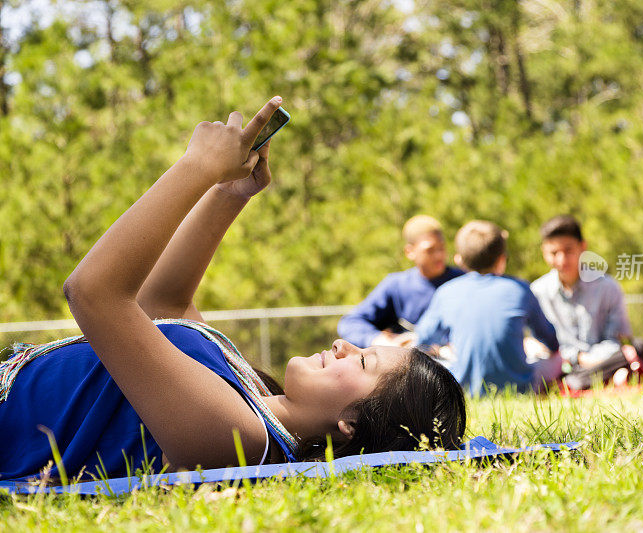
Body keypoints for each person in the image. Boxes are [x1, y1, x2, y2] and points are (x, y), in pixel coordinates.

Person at [0, 97, 466, 483]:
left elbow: (94, 294)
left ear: (351, 425)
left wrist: (196, 168)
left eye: (364, 362)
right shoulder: (249, 397)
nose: (345, 344)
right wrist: (229, 194)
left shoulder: (239, 439)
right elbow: (163, 306)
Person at [414, 220, 560, 396]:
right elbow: (551, 341)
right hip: (520, 388)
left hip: (464, 389)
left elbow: (423, 340)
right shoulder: (520, 289)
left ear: (459, 260)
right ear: (502, 259)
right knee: (557, 359)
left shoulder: (447, 291)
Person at [530, 215, 643, 390]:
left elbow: (618, 340)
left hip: (600, 362)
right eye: (554, 253)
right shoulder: (538, 292)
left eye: (568, 250)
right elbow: (537, 344)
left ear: (582, 247)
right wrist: (575, 358)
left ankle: (579, 381)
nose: (562, 260)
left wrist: (586, 359)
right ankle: (582, 381)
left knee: (638, 348)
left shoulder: (608, 288)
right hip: (560, 366)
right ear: (544, 252)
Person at [337, 215, 463, 348]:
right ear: (409, 251)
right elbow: (350, 322)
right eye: (430, 250)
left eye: (442, 248)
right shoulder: (397, 285)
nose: (439, 255)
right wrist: (379, 340)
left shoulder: (463, 281)